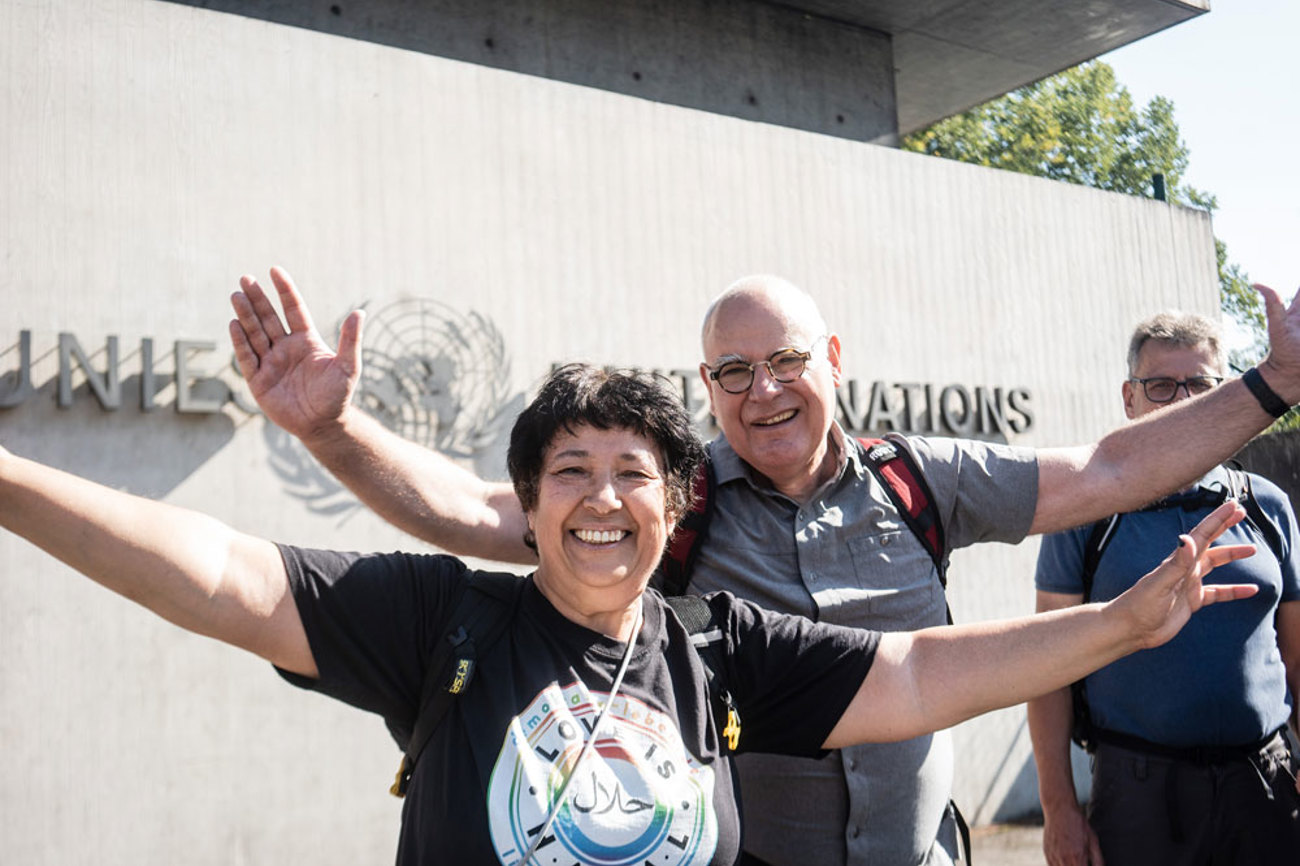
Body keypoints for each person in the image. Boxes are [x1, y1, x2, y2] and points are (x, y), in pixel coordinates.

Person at [228, 267, 1300, 866]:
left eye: (787, 359)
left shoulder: (923, 477)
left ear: (831, 362)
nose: (764, 389)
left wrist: (1269, 385)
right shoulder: (667, 500)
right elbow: (467, 509)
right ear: (707, 384)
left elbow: (1109, 462)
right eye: (733, 370)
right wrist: (333, 433)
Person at [0, 359, 1264, 865]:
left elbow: (926, 673)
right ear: (529, 502)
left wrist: (1119, 623)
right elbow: (216, 573)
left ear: (670, 507)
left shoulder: (715, 647)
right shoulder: (443, 618)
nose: (601, 499)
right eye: (569, 471)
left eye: (631, 474)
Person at [1028, 311, 1300, 866]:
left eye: (1200, 385)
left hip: (1266, 786)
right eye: (1160, 386)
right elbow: (1044, 668)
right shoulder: (1087, 511)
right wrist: (1058, 808)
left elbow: (1297, 655)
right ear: (1130, 399)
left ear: (1225, 393)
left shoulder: (1267, 506)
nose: (1181, 401)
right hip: (1140, 798)